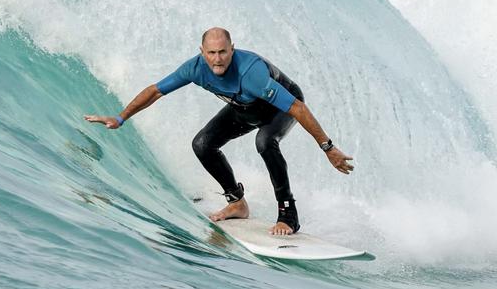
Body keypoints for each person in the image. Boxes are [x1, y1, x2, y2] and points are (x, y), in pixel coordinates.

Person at [85, 27, 354, 235]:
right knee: (202, 144)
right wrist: (121, 118)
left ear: (232, 49)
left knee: (265, 141)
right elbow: (156, 91)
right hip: (244, 107)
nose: (217, 59)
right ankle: (237, 203)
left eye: (223, 52)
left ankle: (288, 214)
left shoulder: (252, 73)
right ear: (202, 51)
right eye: (211, 53)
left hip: (280, 106)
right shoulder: (194, 68)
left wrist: (328, 148)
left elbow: (297, 108)